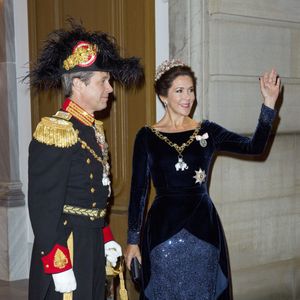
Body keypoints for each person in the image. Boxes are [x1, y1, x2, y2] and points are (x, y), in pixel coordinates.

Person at [125, 59, 280, 299]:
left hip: (203, 232)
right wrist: (133, 241)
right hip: (162, 235)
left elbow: (254, 147)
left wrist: (269, 103)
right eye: (179, 90)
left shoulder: (207, 131)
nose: (188, 97)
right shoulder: (147, 137)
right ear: (163, 96)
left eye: (190, 90)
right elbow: (138, 191)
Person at [27, 21, 143, 300]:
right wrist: (57, 263)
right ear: (78, 83)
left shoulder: (93, 130)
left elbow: (93, 198)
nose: (110, 89)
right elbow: (44, 207)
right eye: (103, 80)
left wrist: (105, 239)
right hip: (67, 246)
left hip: (90, 243)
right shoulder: (56, 130)